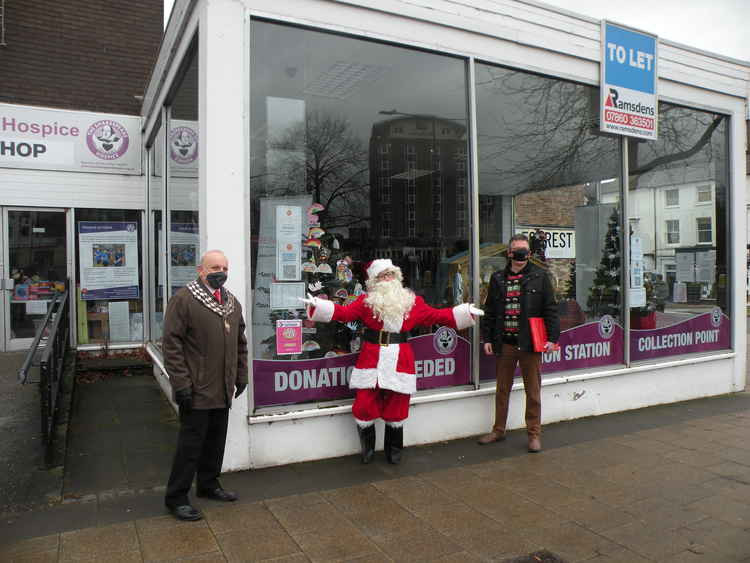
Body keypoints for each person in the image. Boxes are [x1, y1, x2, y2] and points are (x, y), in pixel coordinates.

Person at [301, 258, 483, 464]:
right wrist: (318, 306)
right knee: (363, 405)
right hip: (372, 359)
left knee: (398, 406)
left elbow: (437, 315)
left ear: (397, 277)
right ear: (374, 281)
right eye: (382, 275)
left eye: (390, 274)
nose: (387, 279)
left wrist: (465, 312)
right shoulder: (366, 302)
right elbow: (344, 313)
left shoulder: (412, 303)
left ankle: (394, 450)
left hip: (400, 359)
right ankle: (367, 449)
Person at [163, 249, 248, 521]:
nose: (219, 272)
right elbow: (172, 346)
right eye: (213, 268)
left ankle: (209, 485)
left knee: (215, 441)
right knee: (190, 446)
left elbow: (240, 343)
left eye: (223, 267)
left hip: (222, 387)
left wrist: (241, 375)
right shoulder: (184, 300)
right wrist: (181, 384)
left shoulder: (232, 303)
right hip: (196, 388)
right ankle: (176, 497)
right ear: (201, 270)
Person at [478, 234, 559, 453]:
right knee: (502, 389)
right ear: (509, 253)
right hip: (505, 344)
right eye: (517, 250)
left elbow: (550, 309)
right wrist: (487, 338)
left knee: (532, 391)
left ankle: (534, 434)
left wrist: (552, 338)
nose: (521, 254)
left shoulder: (540, 277)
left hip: (530, 344)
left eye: (524, 250)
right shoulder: (497, 279)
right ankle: (498, 430)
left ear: (529, 253)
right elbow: (491, 311)